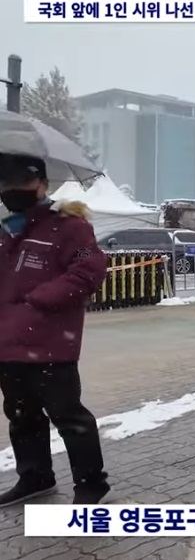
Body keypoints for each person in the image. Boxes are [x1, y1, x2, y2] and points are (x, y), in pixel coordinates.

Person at [0, 154, 111, 507]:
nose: (12, 190)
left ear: (43, 185)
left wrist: (38, 300)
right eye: (5, 184)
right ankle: (35, 478)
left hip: (50, 343)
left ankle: (91, 485)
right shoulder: (4, 230)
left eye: (22, 183)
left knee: (68, 416)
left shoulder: (68, 225)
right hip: (7, 344)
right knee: (21, 417)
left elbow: (89, 271)